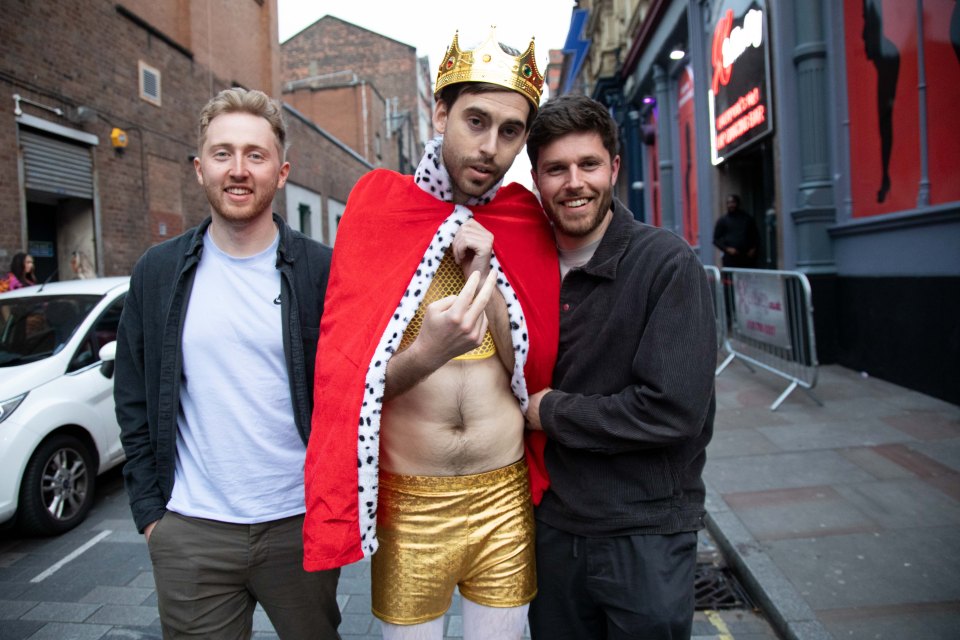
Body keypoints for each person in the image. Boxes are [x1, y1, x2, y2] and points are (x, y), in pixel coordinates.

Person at [302, 28, 559, 640]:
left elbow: (537, 370)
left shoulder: (523, 221)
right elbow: (348, 384)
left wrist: (488, 280)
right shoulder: (377, 207)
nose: (490, 147)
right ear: (439, 112)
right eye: (475, 120)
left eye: (510, 131)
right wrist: (427, 353)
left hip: (503, 499)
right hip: (412, 507)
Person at [114, 88, 340, 639]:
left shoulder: (320, 270)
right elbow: (133, 393)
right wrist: (152, 516)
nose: (238, 170)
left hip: (297, 524)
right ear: (199, 168)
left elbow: (352, 390)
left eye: (255, 155)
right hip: (192, 529)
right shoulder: (158, 271)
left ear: (281, 172)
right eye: (222, 154)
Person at [523, 94, 717, 639]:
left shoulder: (665, 263)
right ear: (537, 178)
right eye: (556, 169)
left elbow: (670, 411)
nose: (573, 182)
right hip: (553, 527)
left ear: (613, 167)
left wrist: (550, 413)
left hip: (644, 530)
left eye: (587, 164)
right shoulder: (522, 266)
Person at [712, 194, 760, 268]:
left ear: (737, 203)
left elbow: (756, 236)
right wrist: (727, 249)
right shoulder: (723, 220)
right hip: (730, 259)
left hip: (747, 258)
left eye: (733, 202)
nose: (731, 205)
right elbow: (716, 240)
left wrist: (753, 249)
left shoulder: (747, 219)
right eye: (728, 203)